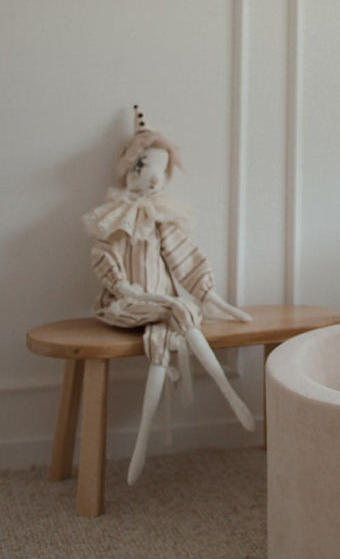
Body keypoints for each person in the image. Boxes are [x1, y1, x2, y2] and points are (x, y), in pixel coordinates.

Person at [83, 106, 253, 484]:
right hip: (124, 304)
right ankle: (229, 394)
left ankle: (142, 445)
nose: (157, 178)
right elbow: (102, 255)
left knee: (167, 329)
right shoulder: (116, 216)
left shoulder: (161, 219)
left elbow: (184, 256)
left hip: (160, 308)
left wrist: (210, 294)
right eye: (148, 168)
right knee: (178, 309)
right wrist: (123, 286)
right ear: (132, 170)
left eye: (162, 169)